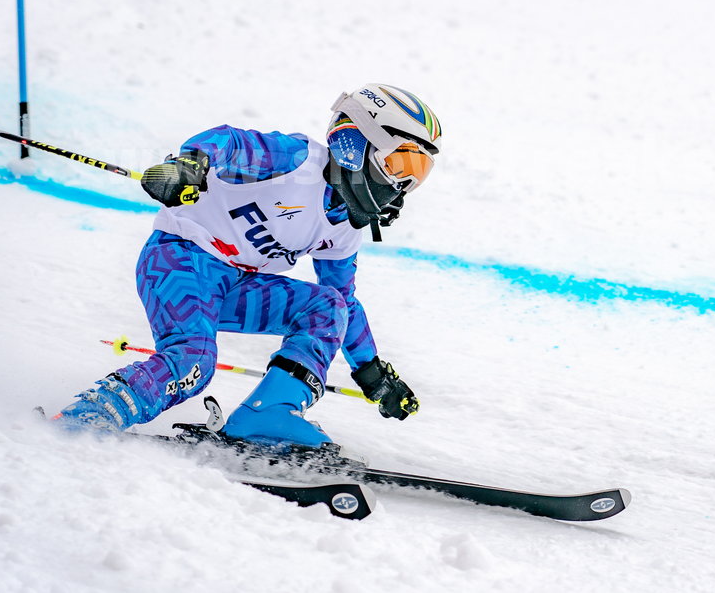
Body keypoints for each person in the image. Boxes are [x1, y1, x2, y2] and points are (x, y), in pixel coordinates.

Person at [54, 84, 442, 449]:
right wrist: (190, 165)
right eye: (400, 163)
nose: (403, 184)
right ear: (355, 144)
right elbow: (230, 141)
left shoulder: (344, 227)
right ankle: (89, 416)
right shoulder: (296, 161)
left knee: (327, 306)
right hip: (180, 259)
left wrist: (372, 374)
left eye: (418, 174)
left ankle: (267, 416)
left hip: (234, 285)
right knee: (194, 362)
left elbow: (343, 303)